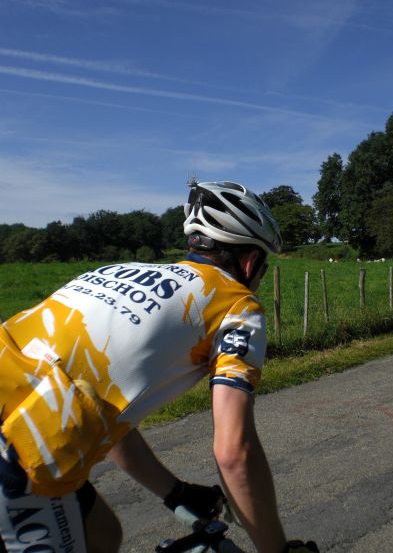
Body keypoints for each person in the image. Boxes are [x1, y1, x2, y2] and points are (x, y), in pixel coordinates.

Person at [0, 180, 319, 553]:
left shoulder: (113, 271)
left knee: (102, 533)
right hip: (17, 449)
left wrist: (175, 492)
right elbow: (234, 451)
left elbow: (99, 413)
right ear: (250, 263)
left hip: (22, 415)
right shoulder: (236, 305)